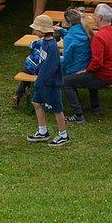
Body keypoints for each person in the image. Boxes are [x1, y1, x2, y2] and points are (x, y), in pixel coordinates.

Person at [63, 4, 112, 121]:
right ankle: (95, 107)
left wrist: (86, 70)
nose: (93, 18)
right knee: (90, 75)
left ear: (100, 18)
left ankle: (77, 114)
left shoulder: (99, 37)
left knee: (66, 82)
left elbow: (97, 63)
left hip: (104, 76)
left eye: (95, 16)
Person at [24, 14, 70, 147]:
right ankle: (42, 131)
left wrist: (41, 81)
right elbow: (42, 61)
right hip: (42, 81)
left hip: (50, 83)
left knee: (57, 108)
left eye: (37, 30)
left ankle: (63, 135)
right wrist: (37, 70)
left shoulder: (52, 46)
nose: (34, 32)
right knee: (36, 102)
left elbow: (51, 66)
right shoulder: (44, 42)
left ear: (43, 30)